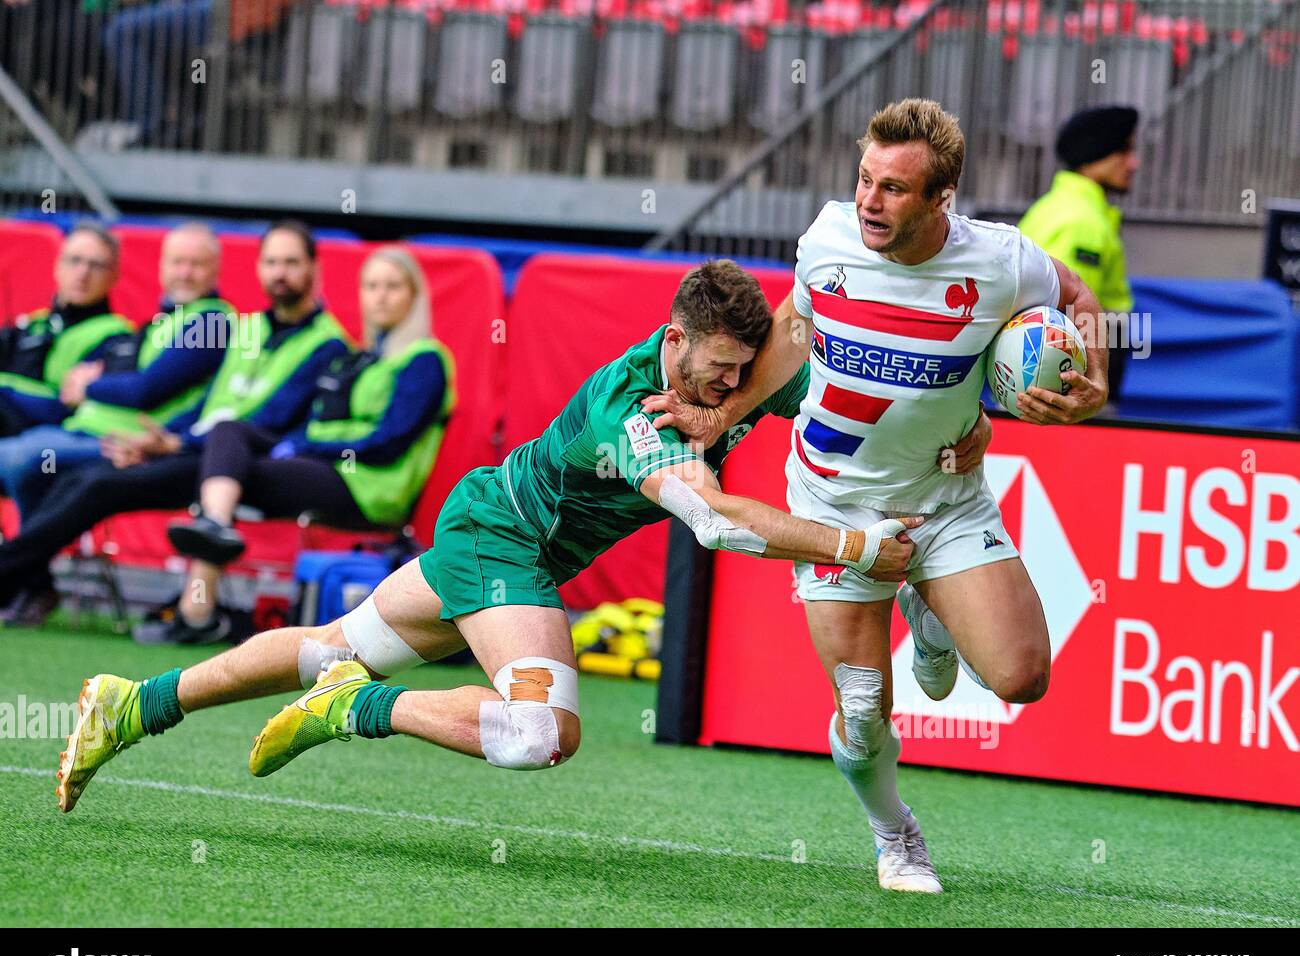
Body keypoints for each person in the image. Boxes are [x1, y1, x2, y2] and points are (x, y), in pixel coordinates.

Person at [55, 260, 937, 828]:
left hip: (493, 527)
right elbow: (712, 521)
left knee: (331, 646)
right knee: (541, 733)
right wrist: (855, 547)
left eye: (744, 371)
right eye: (715, 368)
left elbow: (824, 325)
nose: (731, 386)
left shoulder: (733, 378)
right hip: (503, 543)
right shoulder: (631, 417)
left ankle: (131, 704)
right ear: (673, 341)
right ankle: (353, 708)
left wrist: (955, 421)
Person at [643, 99, 1109, 894]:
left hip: (946, 499)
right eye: (865, 179)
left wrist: (1094, 381)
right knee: (862, 709)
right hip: (831, 503)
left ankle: (929, 623)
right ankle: (896, 838)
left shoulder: (1001, 260)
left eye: (894, 189)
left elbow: (1080, 298)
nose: (869, 200)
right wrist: (718, 413)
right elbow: (793, 329)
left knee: (1023, 677)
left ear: (941, 198)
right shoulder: (825, 240)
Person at [0, 220, 350, 625]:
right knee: (76, 478)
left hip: (237, 465)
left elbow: (270, 419)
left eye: (291, 262)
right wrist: (163, 439)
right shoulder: (248, 328)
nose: (280, 272)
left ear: (314, 270)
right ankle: (26, 579)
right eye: (272, 261)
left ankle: (12, 573)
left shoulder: (325, 342)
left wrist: (172, 441)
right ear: (258, 268)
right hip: (196, 450)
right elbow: (209, 402)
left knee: (87, 479)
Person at [136, 245, 456, 645]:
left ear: (414, 296)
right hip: (329, 469)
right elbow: (317, 425)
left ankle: (197, 608)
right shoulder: (360, 358)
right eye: (371, 286)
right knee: (229, 431)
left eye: (393, 286)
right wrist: (306, 441)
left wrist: (309, 444)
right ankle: (211, 539)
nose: (381, 296)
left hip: (368, 488)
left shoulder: (425, 359)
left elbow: (386, 442)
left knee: (234, 475)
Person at [0, 222, 231, 520]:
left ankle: (21, 558)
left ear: (216, 270)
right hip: (89, 430)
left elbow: (146, 389)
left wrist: (89, 386)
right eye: (177, 262)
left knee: (24, 457)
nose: (185, 273)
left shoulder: (212, 321)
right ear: (161, 268)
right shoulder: (164, 321)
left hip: (132, 442)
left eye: (196, 264)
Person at [1019, 106, 1138, 406]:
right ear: (1094, 155)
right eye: (1124, 151)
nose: (1133, 163)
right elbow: (1067, 324)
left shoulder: (1050, 206)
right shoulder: (1083, 223)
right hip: (1067, 398)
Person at [0, 224, 134, 437]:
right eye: (75, 260)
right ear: (57, 265)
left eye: (96, 265)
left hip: (51, 431)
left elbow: (68, 406)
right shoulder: (33, 323)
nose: (83, 273)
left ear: (114, 276)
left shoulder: (119, 337)